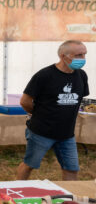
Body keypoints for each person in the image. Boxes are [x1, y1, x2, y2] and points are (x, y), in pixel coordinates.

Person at [16, 40, 89, 180]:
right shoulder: (44, 75)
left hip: (67, 134)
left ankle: (69, 199)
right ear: (63, 56)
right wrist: (39, 114)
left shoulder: (81, 75)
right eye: (78, 55)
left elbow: (79, 100)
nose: (82, 59)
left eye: (84, 54)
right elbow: (25, 101)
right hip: (41, 132)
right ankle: (17, 191)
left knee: (72, 169)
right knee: (29, 165)